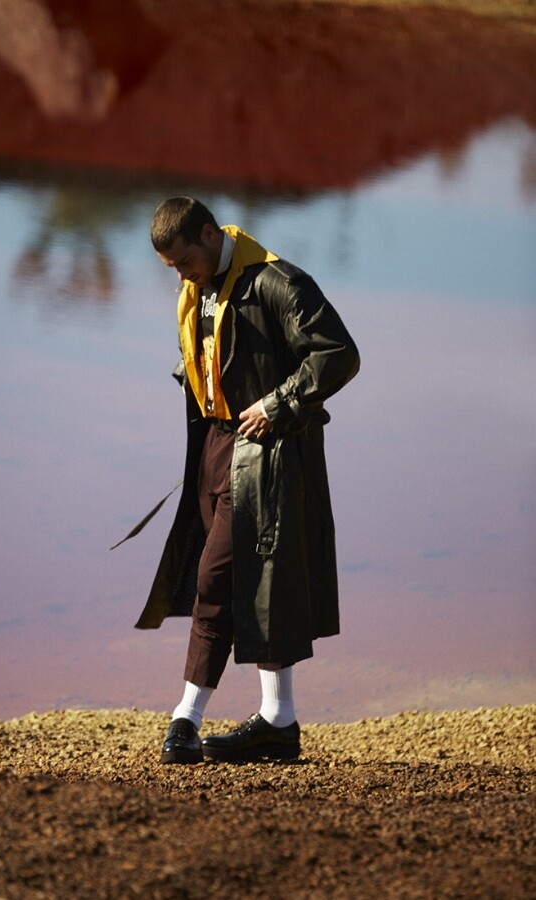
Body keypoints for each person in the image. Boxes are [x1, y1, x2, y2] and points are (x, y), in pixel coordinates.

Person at [135, 197, 360, 763]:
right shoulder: (200, 286)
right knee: (258, 582)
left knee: (214, 578)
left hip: (265, 450)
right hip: (214, 446)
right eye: (171, 269)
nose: (180, 276)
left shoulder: (279, 283)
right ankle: (278, 722)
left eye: (184, 262)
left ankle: (185, 720)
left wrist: (278, 404)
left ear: (210, 235)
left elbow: (339, 353)